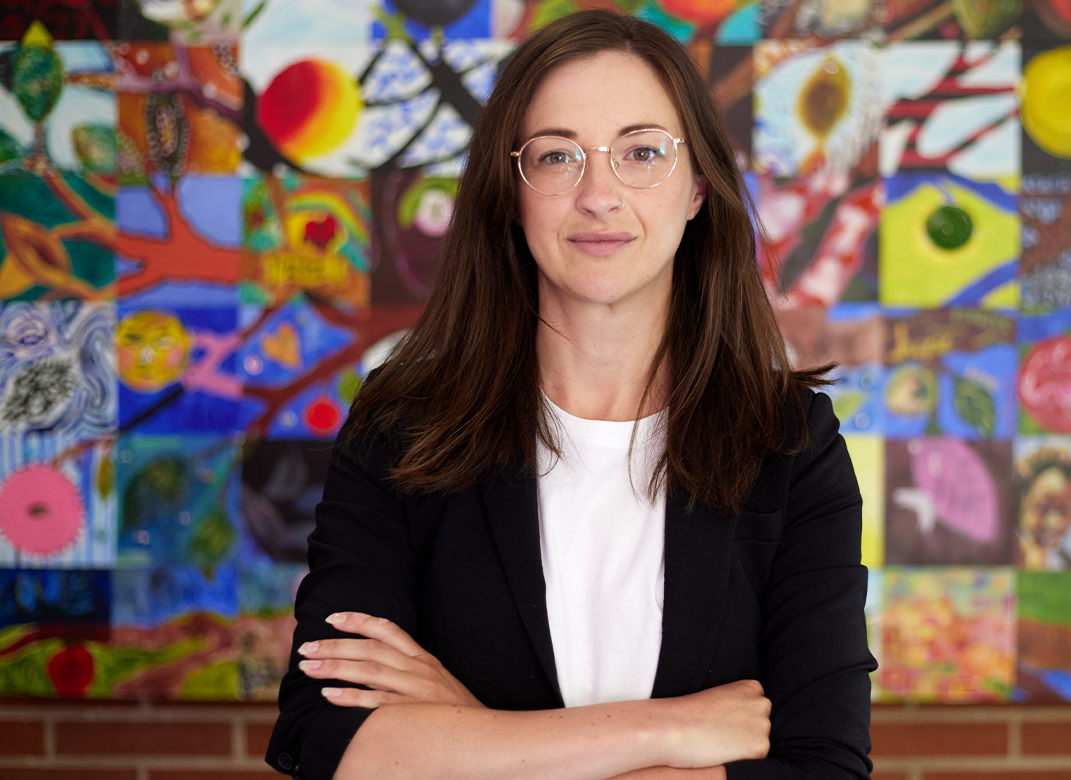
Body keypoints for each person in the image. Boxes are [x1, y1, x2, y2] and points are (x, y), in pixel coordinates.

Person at [264, 10, 875, 780]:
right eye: (556, 158)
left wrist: (468, 732)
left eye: (643, 152)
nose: (599, 194)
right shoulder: (403, 425)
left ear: (697, 188)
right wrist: (667, 731)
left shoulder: (789, 441)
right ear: (509, 193)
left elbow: (823, 769)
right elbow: (329, 741)